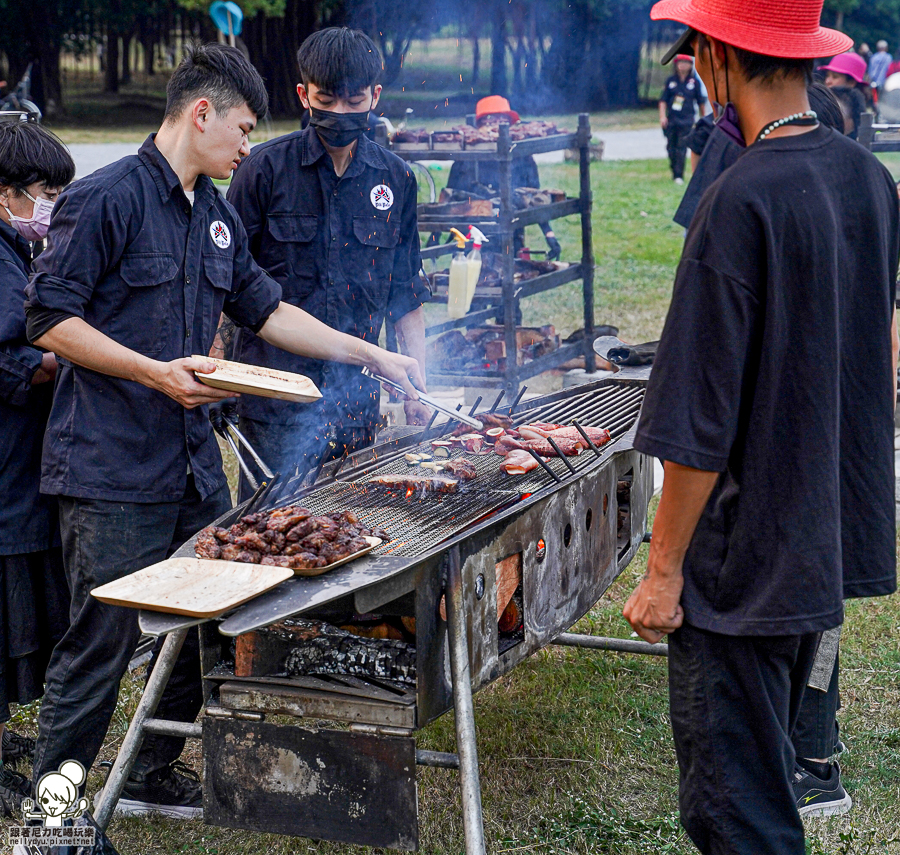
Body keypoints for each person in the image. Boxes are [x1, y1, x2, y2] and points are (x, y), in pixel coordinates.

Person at [23, 43, 425, 819]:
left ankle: (146, 768)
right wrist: (152, 370)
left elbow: (268, 311)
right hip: (109, 464)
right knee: (101, 643)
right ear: (200, 113)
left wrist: (373, 353)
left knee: (208, 622)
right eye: (241, 129)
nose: (248, 147)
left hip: (190, 463)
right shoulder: (106, 199)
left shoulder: (213, 216)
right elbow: (48, 318)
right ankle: (54, 820)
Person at [624, 2, 899, 854]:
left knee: (739, 813)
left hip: (741, 566)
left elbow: (698, 422)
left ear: (716, 58)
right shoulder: (866, 177)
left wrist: (663, 570)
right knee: (769, 776)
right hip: (819, 535)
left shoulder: (737, 197)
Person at [226, 28, 431, 501]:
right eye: (326, 100)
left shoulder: (395, 178)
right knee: (268, 529)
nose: (339, 113)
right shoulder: (261, 170)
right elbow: (227, 285)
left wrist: (417, 382)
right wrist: (222, 379)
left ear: (375, 96)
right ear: (304, 94)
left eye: (354, 100)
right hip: (275, 395)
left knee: (347, 527)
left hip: (357, 397)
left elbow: (406, 293)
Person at [0, 121, 74, 816]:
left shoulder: (17, 251)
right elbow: (7, 356)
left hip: (21, 464)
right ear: (6, 194)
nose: (50, 205)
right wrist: (61, 360)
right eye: (44, 192)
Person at [443, 95, 562, 260]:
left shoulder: (523, 156)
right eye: (490, 121)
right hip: (472, 236)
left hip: (511, 235)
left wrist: (549, 235)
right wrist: (434, 238)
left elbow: (535, 199)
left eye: (503, 120)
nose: (497, 126)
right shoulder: (466, 159)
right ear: (480, 127)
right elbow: (448, 199)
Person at [659, 53, 708, 183]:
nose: (682, 65)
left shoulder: (694, 82)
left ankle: (678, 175)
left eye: (685, 63)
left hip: (686, 120)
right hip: (672, 119)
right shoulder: (671, 81)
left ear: (691, 65)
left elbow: (700, 102)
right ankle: (673, 169)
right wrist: (662, 116)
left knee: (681, 147)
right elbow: (663, 100)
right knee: (671, 147)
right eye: (680, 63)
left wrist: (703, 119)